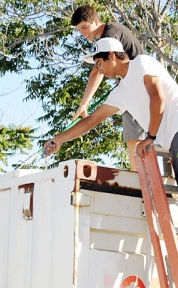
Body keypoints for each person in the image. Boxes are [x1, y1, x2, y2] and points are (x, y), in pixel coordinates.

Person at [43, 38, 178, 275]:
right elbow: (92, 120)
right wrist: (59, 139)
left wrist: (151, 137)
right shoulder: (122, 92)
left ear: (113, 55)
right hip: (175, 133)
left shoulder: (142, 64)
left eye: (100, 63)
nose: (99, 69)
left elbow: (158, 98)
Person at [71, 5, 145, 170]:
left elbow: (98, 71)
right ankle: (138, 175)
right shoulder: (110, 33)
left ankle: (138, 180)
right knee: (133, 137)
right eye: (79, 30)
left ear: (96, 21)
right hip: (133, 86)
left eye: (84, 27)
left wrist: (84, 104)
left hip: (139, 87)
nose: (83, 33)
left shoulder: (109, 34)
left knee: (134, 138)